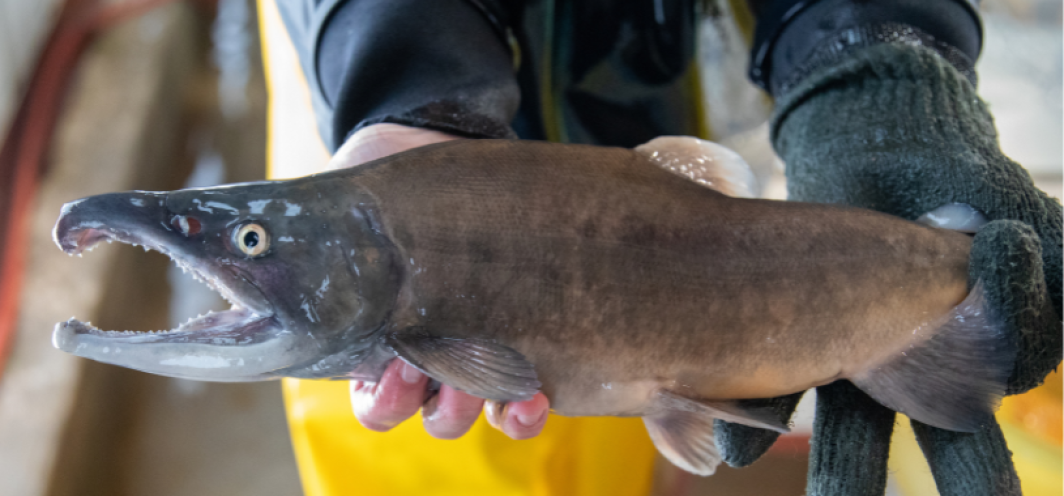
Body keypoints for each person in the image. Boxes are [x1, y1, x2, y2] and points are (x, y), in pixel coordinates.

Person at [262, 1, 1062, 494]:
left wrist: (870, 50)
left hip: (671, 79)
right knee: (457, 458)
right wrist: (404, 73)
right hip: (383, 143)